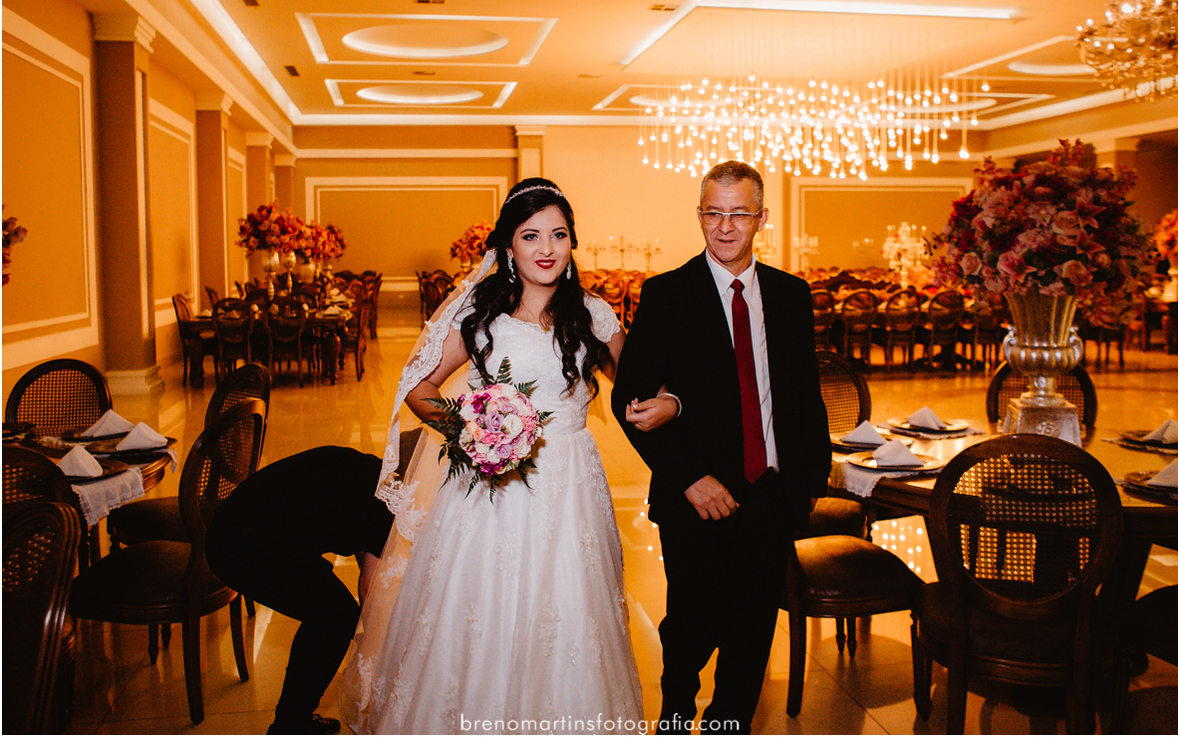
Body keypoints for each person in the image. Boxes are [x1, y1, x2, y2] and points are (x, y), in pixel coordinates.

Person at [342, 178, 673, 734]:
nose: (547, 248)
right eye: (531, 235)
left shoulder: (592, 313)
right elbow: (419, 390)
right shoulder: (481, 314)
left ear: (572, 243)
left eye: (559, 234)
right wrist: (473, 434)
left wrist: (664, 401)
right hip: (491, 488)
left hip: (572, 483)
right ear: (508, 247)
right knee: (483, 609)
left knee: (572, 609)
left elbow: (638, 387)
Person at [612, 161, 831, 734]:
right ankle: (677, 718)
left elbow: (805, 396)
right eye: (714, 212)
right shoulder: (666, 295)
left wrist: (805, 486)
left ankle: (728, 724)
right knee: (690, 623)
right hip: (698, 497)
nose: (725, 226)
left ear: (761, 218)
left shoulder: (790, 295)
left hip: (771, 494)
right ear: (700, 215)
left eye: (739, 214)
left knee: (753, 629)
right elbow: (630, 403)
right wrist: (688, 477)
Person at [206, 444, 414, 735]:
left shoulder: (368, 473)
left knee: (333, 612)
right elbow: (370, 593)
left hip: (243, 528)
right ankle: (289, 726)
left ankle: (294, 719)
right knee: (336, 617)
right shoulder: (386, 506)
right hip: (241, 548)